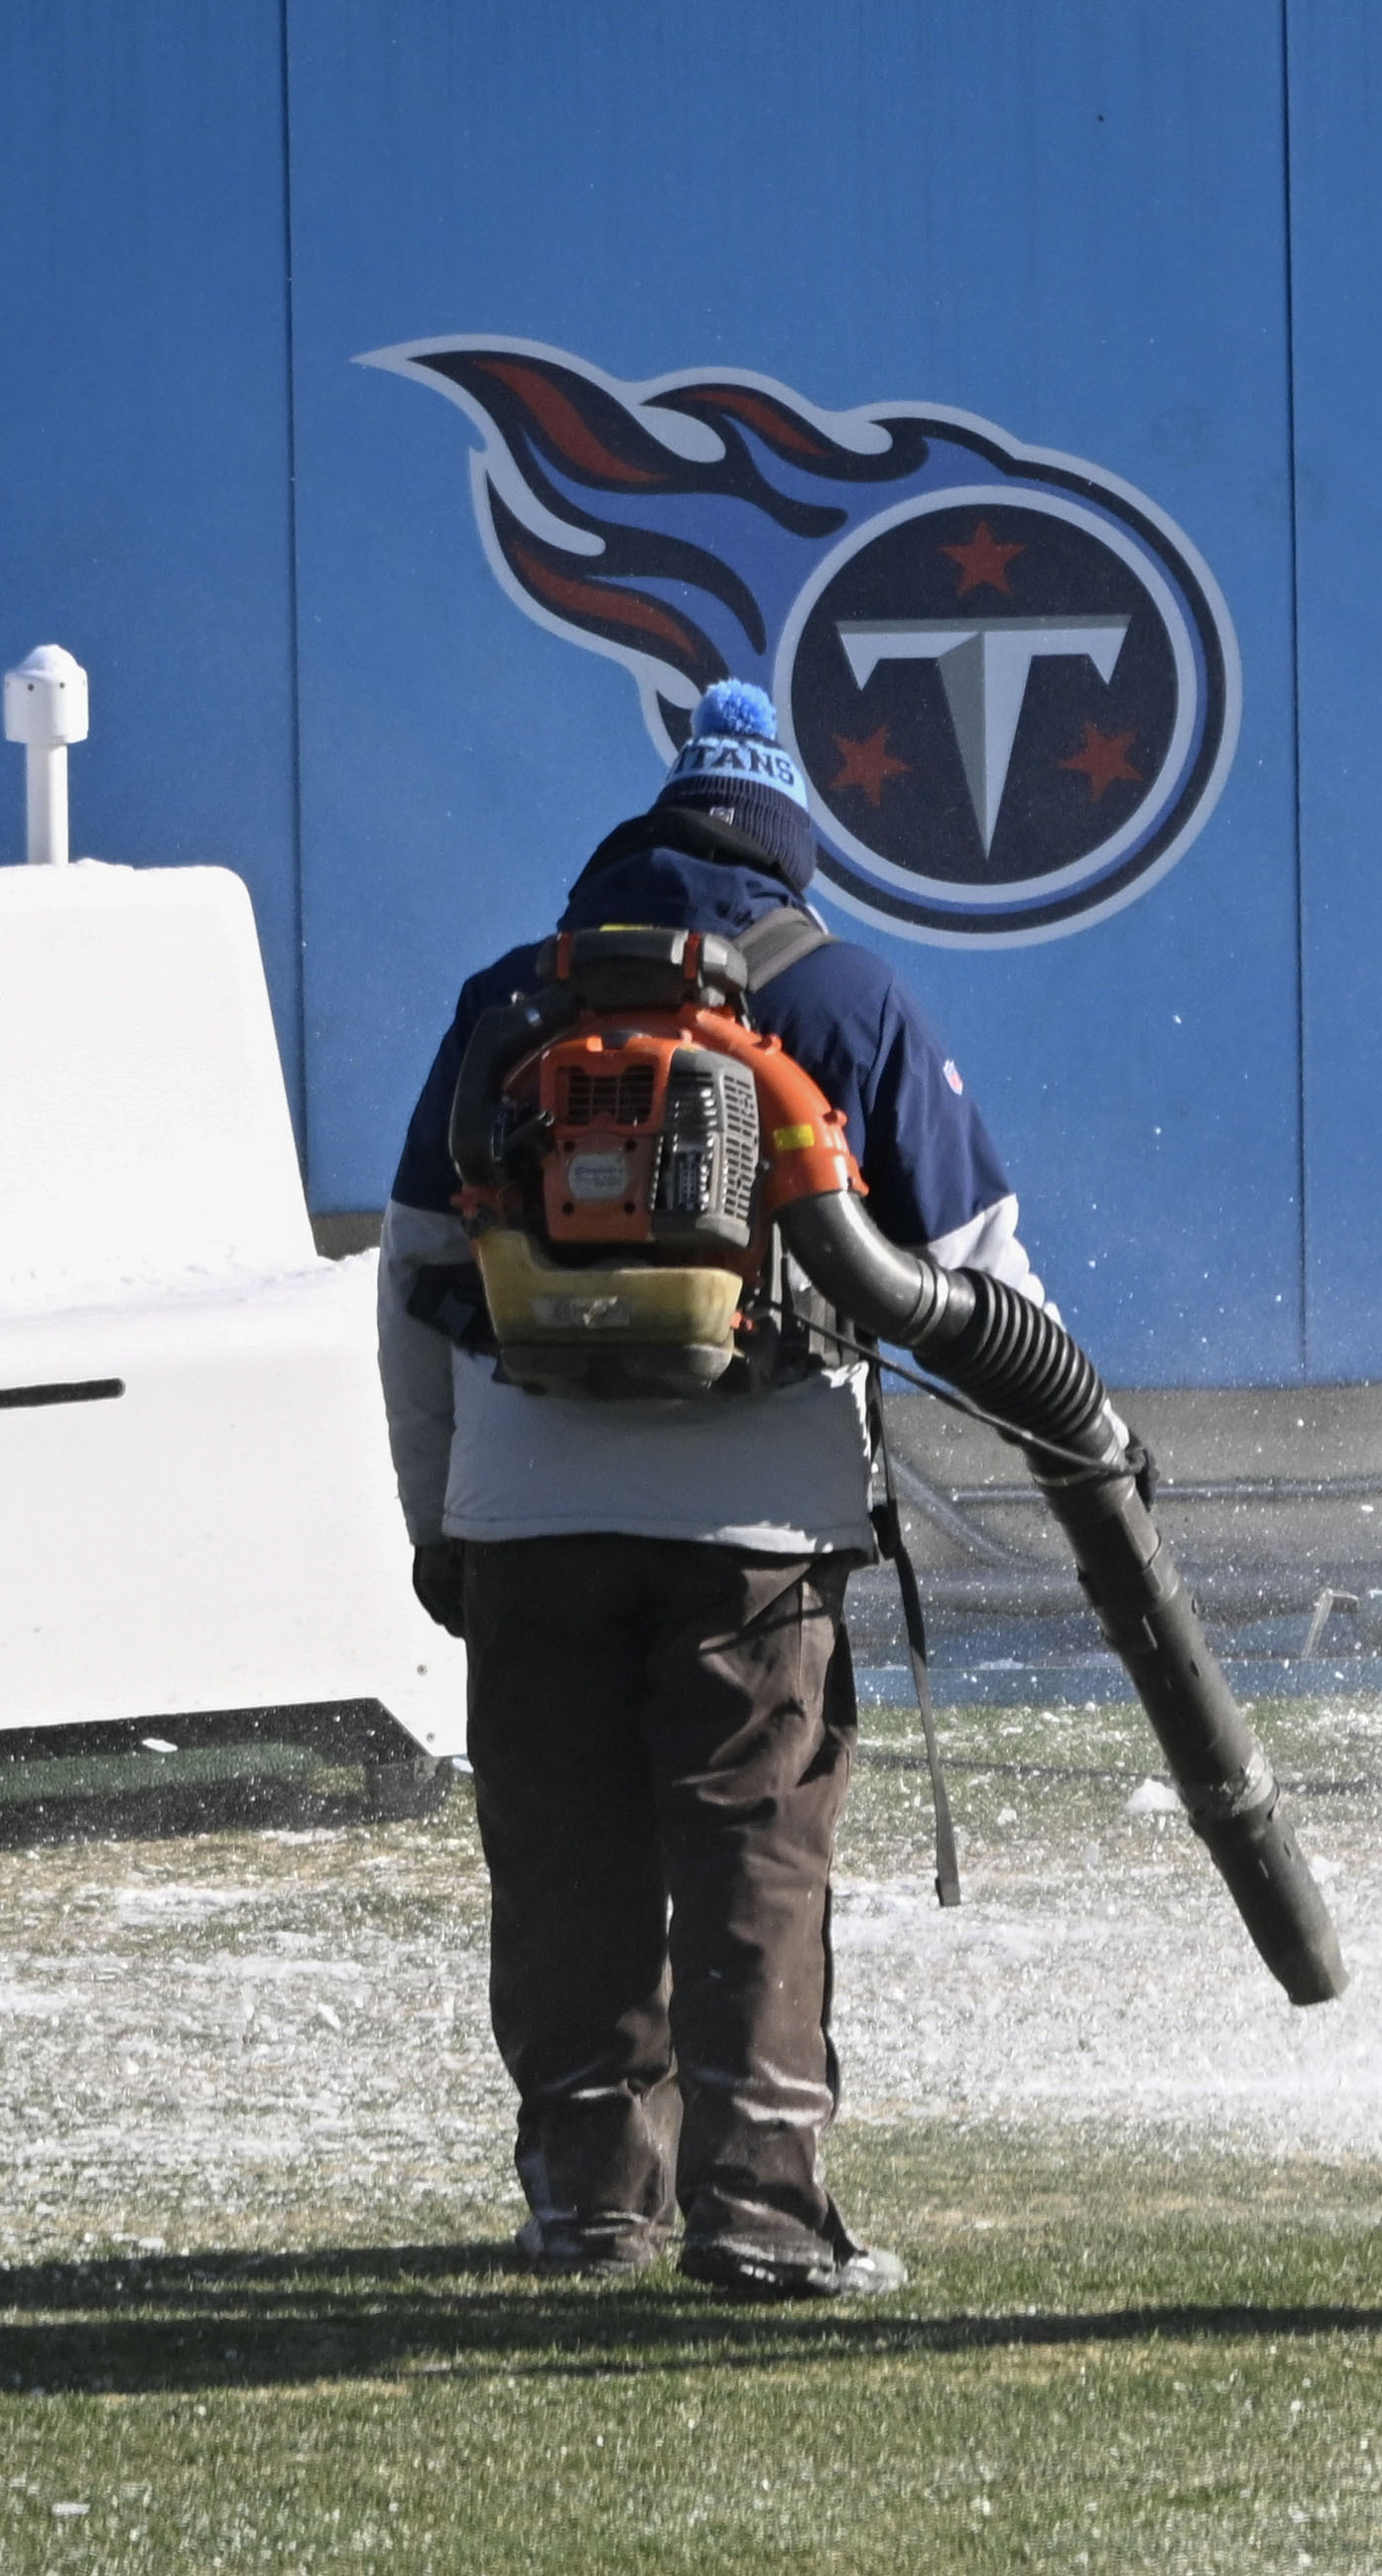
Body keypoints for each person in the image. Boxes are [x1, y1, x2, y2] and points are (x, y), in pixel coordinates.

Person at [375, 683, 1035, 2296]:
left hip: (528, 1523)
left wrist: (441, 1521)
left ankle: (590, 2205)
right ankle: (757, 2217)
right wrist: (1087, 1459)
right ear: (789, 846)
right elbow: (980, 1283)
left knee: (565, 1868)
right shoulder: (849, 999)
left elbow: (407, 1285)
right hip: (759, 1536)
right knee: (752, 1866)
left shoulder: (503, 1006)